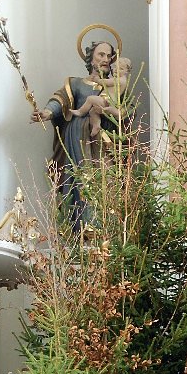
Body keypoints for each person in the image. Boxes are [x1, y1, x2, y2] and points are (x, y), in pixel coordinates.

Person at [32, 39, 123, 231]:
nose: (105, 59)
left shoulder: (115, 85)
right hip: (77, 136)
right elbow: (60, 100)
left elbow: (127, 110)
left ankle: (101, 227)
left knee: (104, 179)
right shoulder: (76, 83)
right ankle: (80, 227)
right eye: (101, 54)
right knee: (79, 178)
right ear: (91, 58)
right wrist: (47, 112)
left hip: (103, 140)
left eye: (109, 56)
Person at [68, 56, 133, 138]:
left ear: (127, 71)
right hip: (102, 101)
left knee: (90, 99)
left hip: (108, 100)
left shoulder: (120, 80)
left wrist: (98, 80)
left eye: (121, 69)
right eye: (115, 67)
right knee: (92, 111)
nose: (116, 70)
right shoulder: (76, 82)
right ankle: (96, 125)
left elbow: (107, 82)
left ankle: (80, 112)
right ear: (91, 60)